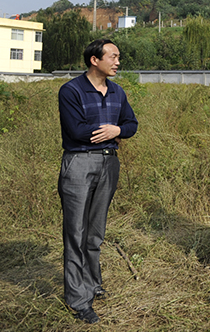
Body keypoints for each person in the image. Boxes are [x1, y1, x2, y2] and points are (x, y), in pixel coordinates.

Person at [58, 39, 138, 323]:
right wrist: (111, 132)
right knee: (75, 232)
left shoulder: (118, 91)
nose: (118, 62)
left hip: (109, 164)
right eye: (113, 57)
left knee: (95, 231)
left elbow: (131, 124)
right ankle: (78, 300)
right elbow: (76, 130)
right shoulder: (71, 90)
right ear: (95, 60)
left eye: (118, 57)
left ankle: (92, 284)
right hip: (79, 163)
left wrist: (118, 130)